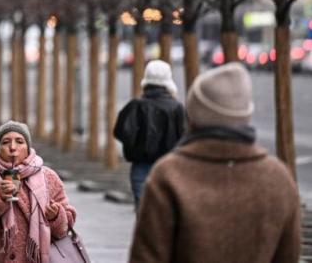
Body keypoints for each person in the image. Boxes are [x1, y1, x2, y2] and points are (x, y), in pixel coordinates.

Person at [129, 62, 300, 263]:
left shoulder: (168, 175)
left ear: (193, 115)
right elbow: (288, 256)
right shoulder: (278, 179)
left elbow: (147, 258)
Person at [0, 121, 77, 263]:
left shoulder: (48, 178)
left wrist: (56, 216)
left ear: (28, 147)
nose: (12, 148)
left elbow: (66, 225)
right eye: (6, 142)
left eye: (19, 141)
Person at [113, 59, 185, 206]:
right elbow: (185, 138)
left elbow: (120, 132)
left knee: (144, 212)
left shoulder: (135, 106)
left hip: (140, 166)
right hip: (169, 167)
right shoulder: (177, 108)